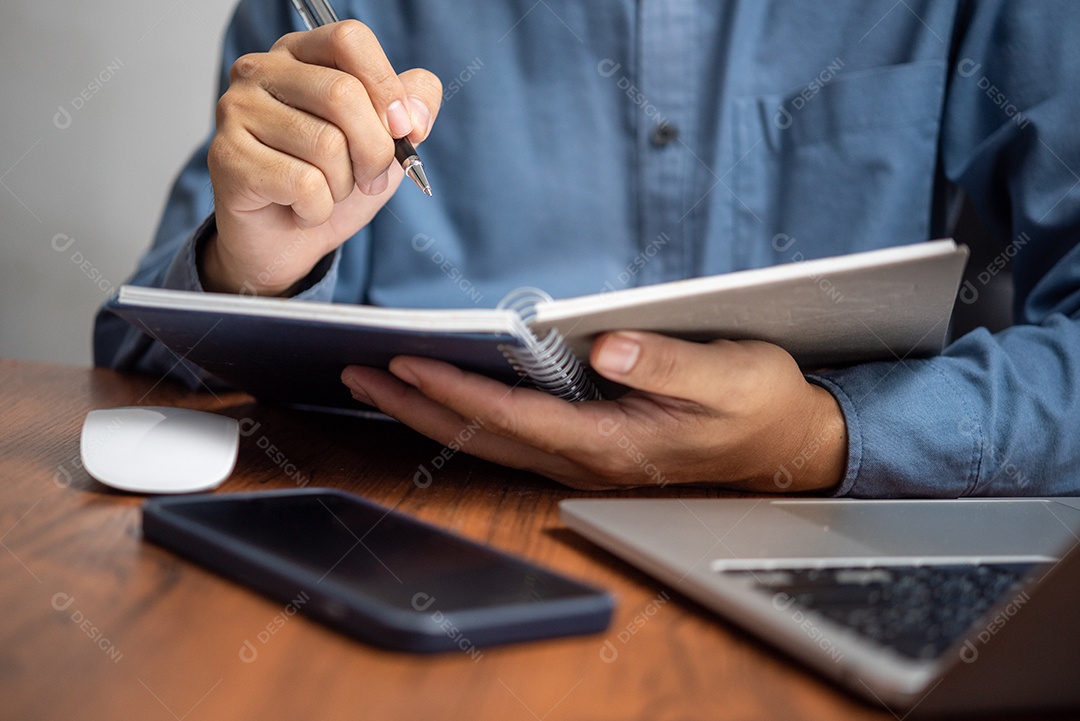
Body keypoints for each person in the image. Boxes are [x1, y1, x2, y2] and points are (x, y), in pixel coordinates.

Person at [95, 0, 1080, 497]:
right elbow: (137, 350)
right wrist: (253, 271)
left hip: (836, 533)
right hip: (392, 523)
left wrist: (816, 439)